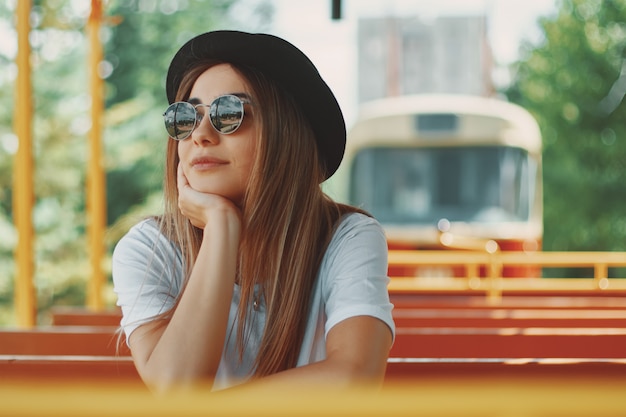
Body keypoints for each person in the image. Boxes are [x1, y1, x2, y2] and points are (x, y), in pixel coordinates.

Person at [112, 30, 395, 393]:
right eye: (186, 117)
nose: (200, 134)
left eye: (228, 113)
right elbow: (178, 387)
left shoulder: (346, 237)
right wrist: (221, 226)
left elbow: (355, 377)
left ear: (285, 134)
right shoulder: (149, 250)